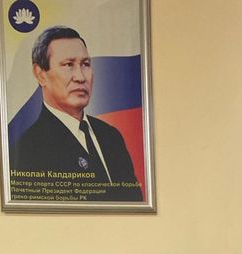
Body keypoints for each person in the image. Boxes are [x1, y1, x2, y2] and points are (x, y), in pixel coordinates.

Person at [9, 26, 143, 201]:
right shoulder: (27, 150)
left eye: (85, 64)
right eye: (68, 65)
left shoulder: (111, 136)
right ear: (41, 75)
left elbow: (134, 203)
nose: (80, 77)